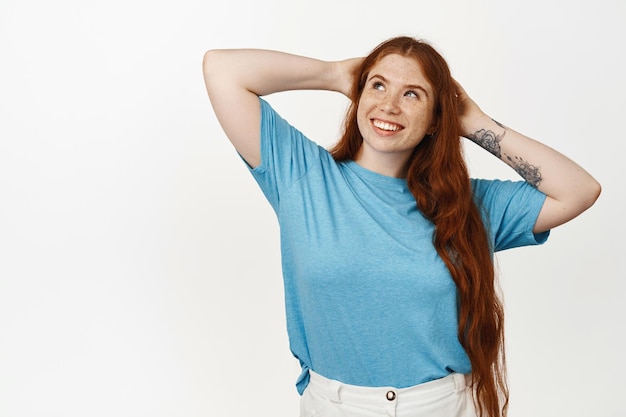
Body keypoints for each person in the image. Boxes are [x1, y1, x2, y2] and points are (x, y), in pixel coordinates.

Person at [202, 36, 600, 417]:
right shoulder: (302, 175)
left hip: (443, 406)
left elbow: (579, 190)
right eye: (378, 85)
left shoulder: (470, 205)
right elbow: (222, 69)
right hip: (336, 405)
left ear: (433, 120)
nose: (389, 105)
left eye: (413, 94)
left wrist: (473, 121)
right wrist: (337, 74)